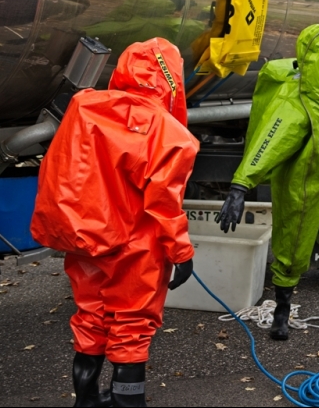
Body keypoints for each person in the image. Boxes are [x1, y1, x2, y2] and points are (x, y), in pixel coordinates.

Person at [30, 38, 199, 407]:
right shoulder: (169, 133)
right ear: (172, 80)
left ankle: (86, 401)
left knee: (90, 318)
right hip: (136, 246)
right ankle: (127, 403)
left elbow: (62, 168)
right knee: (132, 328)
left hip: (86, 236)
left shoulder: (84, 106)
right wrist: (182, 252)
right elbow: (164, 203)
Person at [216, 23, 319, 340]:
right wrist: (240, 187)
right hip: (300, 183)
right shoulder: (294, 103)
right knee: (292, 246)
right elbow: (267, 145)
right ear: (314, 65)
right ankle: (281, 312)